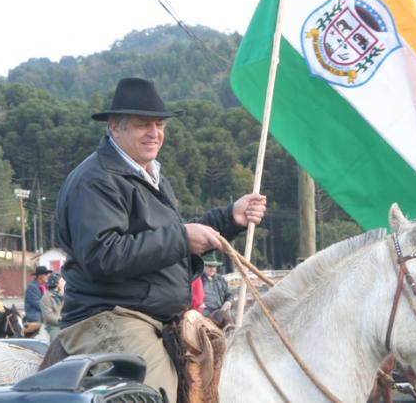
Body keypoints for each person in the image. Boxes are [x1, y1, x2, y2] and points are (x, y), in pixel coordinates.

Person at [55, 77, 267, 402]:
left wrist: (229, 219)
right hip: (109, 316)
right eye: (143, 125)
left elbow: (166, 240)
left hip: (157, 316)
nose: (155, 133)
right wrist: (182, 238)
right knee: (154, 397)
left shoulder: (152, 176)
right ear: (115, 128)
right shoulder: (95, 180)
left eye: (159, 124)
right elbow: (103, 256)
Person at [40, 273, 65, 341]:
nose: (64, 283)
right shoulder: (46, 297)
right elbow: (48, 316)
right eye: (62, 281)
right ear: (56, 284)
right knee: (56, 340)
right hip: (52, 326)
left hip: (65, 323)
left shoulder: (64, 296)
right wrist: (61, 321)